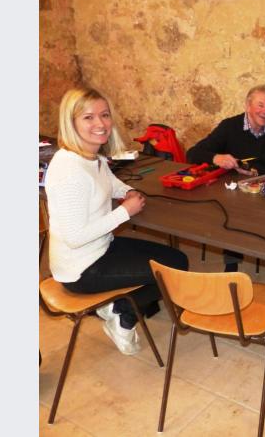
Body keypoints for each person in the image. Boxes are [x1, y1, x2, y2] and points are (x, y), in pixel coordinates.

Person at [45, 87, 189, 355]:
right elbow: (75, 236)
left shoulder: (91, 155)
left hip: (101, 248)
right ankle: (123, 317)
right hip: (81, 269)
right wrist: (125, 212)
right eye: (88, 117)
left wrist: (127, 192)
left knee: (177, 260)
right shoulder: (68, 170)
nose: (100, 124)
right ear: (71, 122)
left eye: (105, 115)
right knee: (172, 271)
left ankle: (114, 304)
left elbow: (110, 183)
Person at [186, 84, 265, 272]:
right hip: (230, 192)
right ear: (248, 105)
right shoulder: (229, 127)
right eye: (260, 105)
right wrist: (217, 158)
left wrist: (254, 171)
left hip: (259, 190)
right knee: (233, 212)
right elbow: (193, 153)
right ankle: (231, 262)